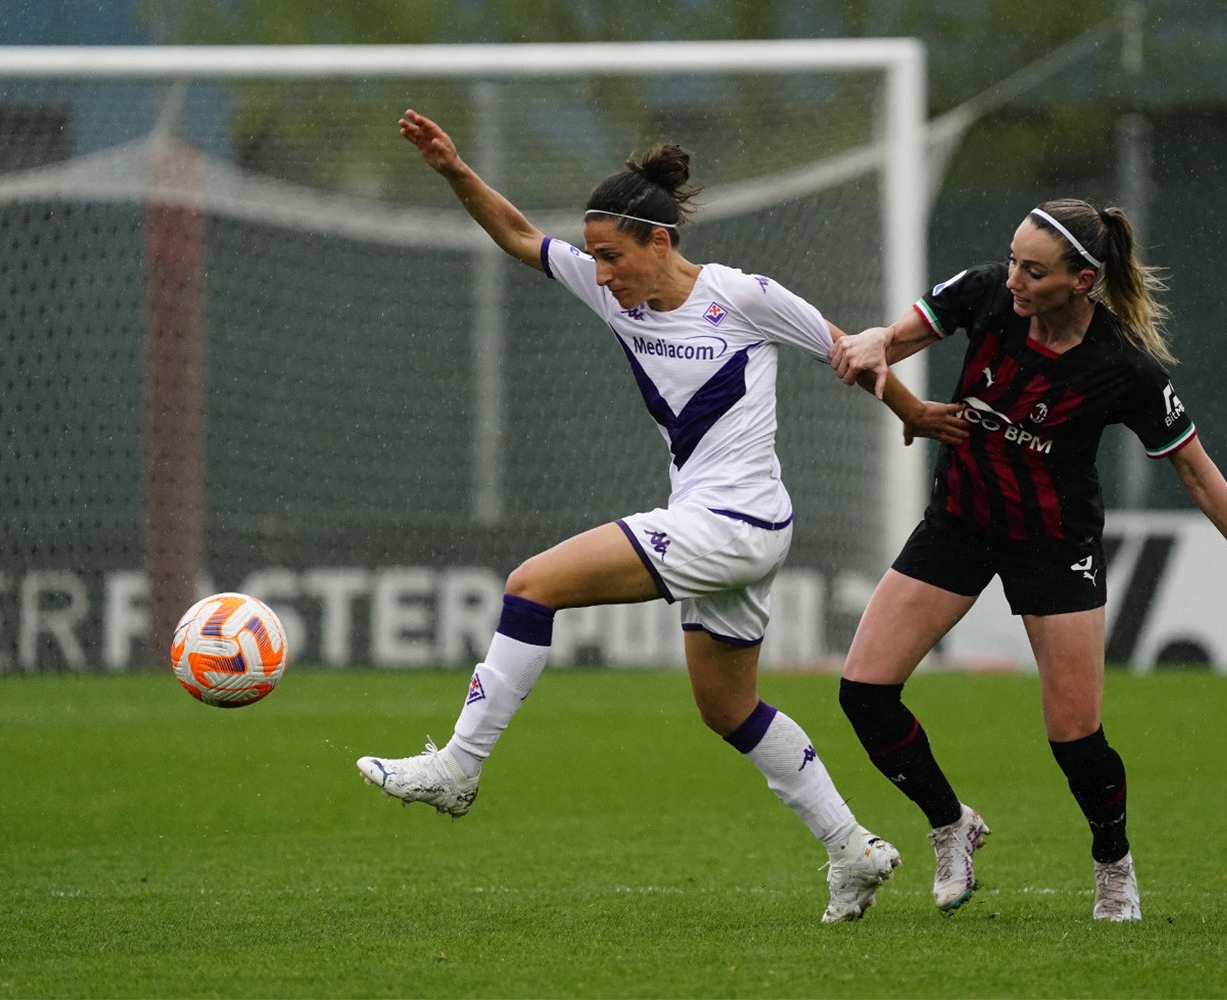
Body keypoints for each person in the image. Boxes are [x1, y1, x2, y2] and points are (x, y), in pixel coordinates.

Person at [358, 109, 958, 924]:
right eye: (595, 257)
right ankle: (850, 849)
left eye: (613, 256)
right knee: (728, 710)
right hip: (729, 528)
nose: (600, 273)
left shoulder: (743, 297)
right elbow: (518, 234)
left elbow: (850, 352)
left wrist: (914, 415)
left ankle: (459, 768)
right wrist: (454, 169)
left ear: (660, 244)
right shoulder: (616, 298)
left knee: (532, 584)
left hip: (735, 522)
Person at [827, 197, 1227, 921]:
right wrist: (873, 346)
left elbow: (1197, 471)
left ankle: (1114, 864)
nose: (1014, 279)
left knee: (1074, 736)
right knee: (863, 691)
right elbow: (893, 341)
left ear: (1081, 282)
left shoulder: (1123, 368)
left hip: (1055, 546)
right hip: (959, 522)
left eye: (1034, 271)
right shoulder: (987, 290)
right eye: (1014, 260)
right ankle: (951, 822)